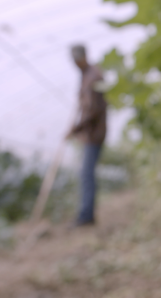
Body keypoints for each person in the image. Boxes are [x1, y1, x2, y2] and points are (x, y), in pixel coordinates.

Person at [66, 44, 107, 226]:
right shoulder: (87, 76)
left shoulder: (93, 77)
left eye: (77, 59)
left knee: (86, 174)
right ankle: (85, 213)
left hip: (94, 134)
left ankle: (86, 215)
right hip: (92, 133)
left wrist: (76, 129)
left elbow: (94, 110)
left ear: (83, 57)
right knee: (86, 174)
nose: (75, 63)